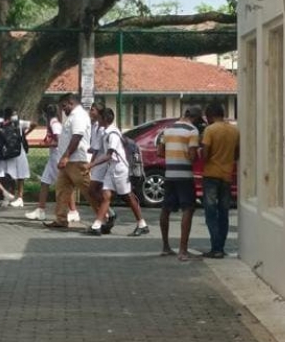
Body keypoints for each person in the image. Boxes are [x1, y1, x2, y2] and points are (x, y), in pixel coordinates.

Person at [85, 108, 148, 236]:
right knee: (106, 196)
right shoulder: (106, 132)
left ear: (104, 119)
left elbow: (109, 155)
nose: (97, 119)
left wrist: (92, 164)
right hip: (111, 168)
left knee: (128, 197)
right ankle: (97, 225)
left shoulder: (112, 134)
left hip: (120, 168)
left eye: (99, 117)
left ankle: (142, 224)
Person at [43, 93, 98, 229]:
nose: (63, 110)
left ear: (70, 102)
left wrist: (66, 156)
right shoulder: (72, 116)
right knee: (62, 190)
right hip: (67, 161)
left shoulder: (78, 116)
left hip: (77, 159)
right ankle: (61, 219)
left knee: (88, 190)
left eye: (64, 106)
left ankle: (105, 216)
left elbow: (77, 136)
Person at [157, 106, 202, 261]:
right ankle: (183, 250)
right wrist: (196, 155)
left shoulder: (167, 130)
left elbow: (159, 152)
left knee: (166, 209)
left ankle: (165, 247)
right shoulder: (193, 131)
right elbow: (191, 156)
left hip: (169, 174)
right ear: (195, 118)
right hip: (185, 175)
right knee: (188, 209)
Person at [25, 104, 80, 221]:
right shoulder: (54, 123)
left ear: (46, 114)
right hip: (53, 158)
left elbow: (59, 141)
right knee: (44, 182)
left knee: (64, 185)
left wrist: (49, 144)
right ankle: (41, 209)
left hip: (57, 157)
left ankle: (73, 211)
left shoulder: (54, 124)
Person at [200, 103, 239, 258]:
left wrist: (201, 152)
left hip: (211, 174)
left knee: (210, 212)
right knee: (224, 212)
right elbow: (237, 154)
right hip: (227, 175)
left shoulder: (210, 130)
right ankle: (221, 247)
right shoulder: (234, 130)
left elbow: (205, 154)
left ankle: (215, 247)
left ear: (210, 115)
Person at [0, 108, 35, 208]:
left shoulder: (19, 123)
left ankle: (20, 197)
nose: (15, 116)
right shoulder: (2, 123)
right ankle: (7, 196)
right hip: (8, 152)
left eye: (16, 114)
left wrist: (25, 134)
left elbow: (33, 124)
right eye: (13, 114)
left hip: (19, 151)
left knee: (21, 174)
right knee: (7, 175)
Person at [86, 102, 110, 224]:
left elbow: (97, 149)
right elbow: (95, 146)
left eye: (93, 110)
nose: (90, 112)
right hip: (98, 162)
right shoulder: (94, 126)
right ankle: (105, 215)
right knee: (97, 191)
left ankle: (108, 212)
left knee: (92, 190)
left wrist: (91, 164)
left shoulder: (101, 129)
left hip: (101, 163)